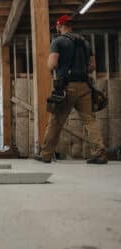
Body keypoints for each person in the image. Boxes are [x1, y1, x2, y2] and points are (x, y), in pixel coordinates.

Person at [34, 15, 107, 164]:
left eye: (57, 26)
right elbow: (92, 66)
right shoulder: (85, 42)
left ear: (60, 25)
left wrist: (54, 68)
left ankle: (46, 154)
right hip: (85, 87)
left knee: (56, 121)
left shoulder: (58, 41)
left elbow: (52, 64)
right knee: (89, 120)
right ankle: (99, 153)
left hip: (67, 88)